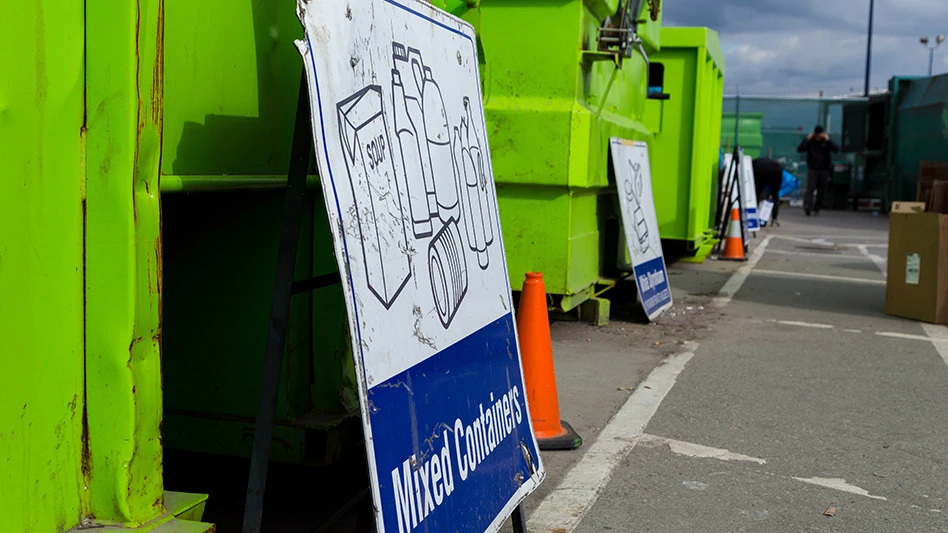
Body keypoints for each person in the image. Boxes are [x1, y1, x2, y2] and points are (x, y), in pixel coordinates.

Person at [797, 126, 839, 215]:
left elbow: (836, 149)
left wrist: (828, 140)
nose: (818, 137)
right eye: (817, 135)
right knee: (810, 188)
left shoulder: (826, 142)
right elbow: (800, 149)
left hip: (824, 169)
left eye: (820, 135)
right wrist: (807, 140)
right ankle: (808, 206)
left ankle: (817, 207)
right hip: (813, 168)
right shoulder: (810, 142)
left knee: (822, 190)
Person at [752, 157, 783, 226]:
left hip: (760, 170)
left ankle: (755, 217)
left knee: (756, 194)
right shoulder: (771, 163)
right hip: (777, 168)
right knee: (775, 194)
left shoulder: (752, 164)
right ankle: (774, 219)